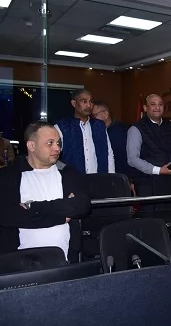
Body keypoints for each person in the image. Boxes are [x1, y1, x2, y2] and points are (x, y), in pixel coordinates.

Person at [0, 121, 90, 262]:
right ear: (31, 146)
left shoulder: (68, 173)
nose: (57, 148)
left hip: (66, 260)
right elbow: (8, 216)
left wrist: (32, 207)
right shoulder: (8, 176)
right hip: (20, 263)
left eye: (58, 143)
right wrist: (61, 215)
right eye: (50, 143)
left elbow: (82, 205)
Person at [126, 94, 171, 198]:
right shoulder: (136, 129)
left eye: (160, 104)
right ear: (145, 108)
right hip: (147, 183)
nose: (157, 107)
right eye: (153, 104)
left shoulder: (170, 125)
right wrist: (158, 170)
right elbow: (132, 159)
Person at [55, 89, 115, 174]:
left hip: (98, 178)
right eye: (84, 101)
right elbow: (53, 155)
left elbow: (109, 153)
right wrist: (65, 172)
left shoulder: (99, 126)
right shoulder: (62, 126)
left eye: (91, 101)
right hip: (73, 180)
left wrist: (111, 177)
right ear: (74, 103)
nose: (89, 105)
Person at [92, 101, 131, 177]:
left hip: (120, 176)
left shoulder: (123, 131)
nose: (91, 119)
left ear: (105, 114)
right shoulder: (92, 131)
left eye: (94, 115)